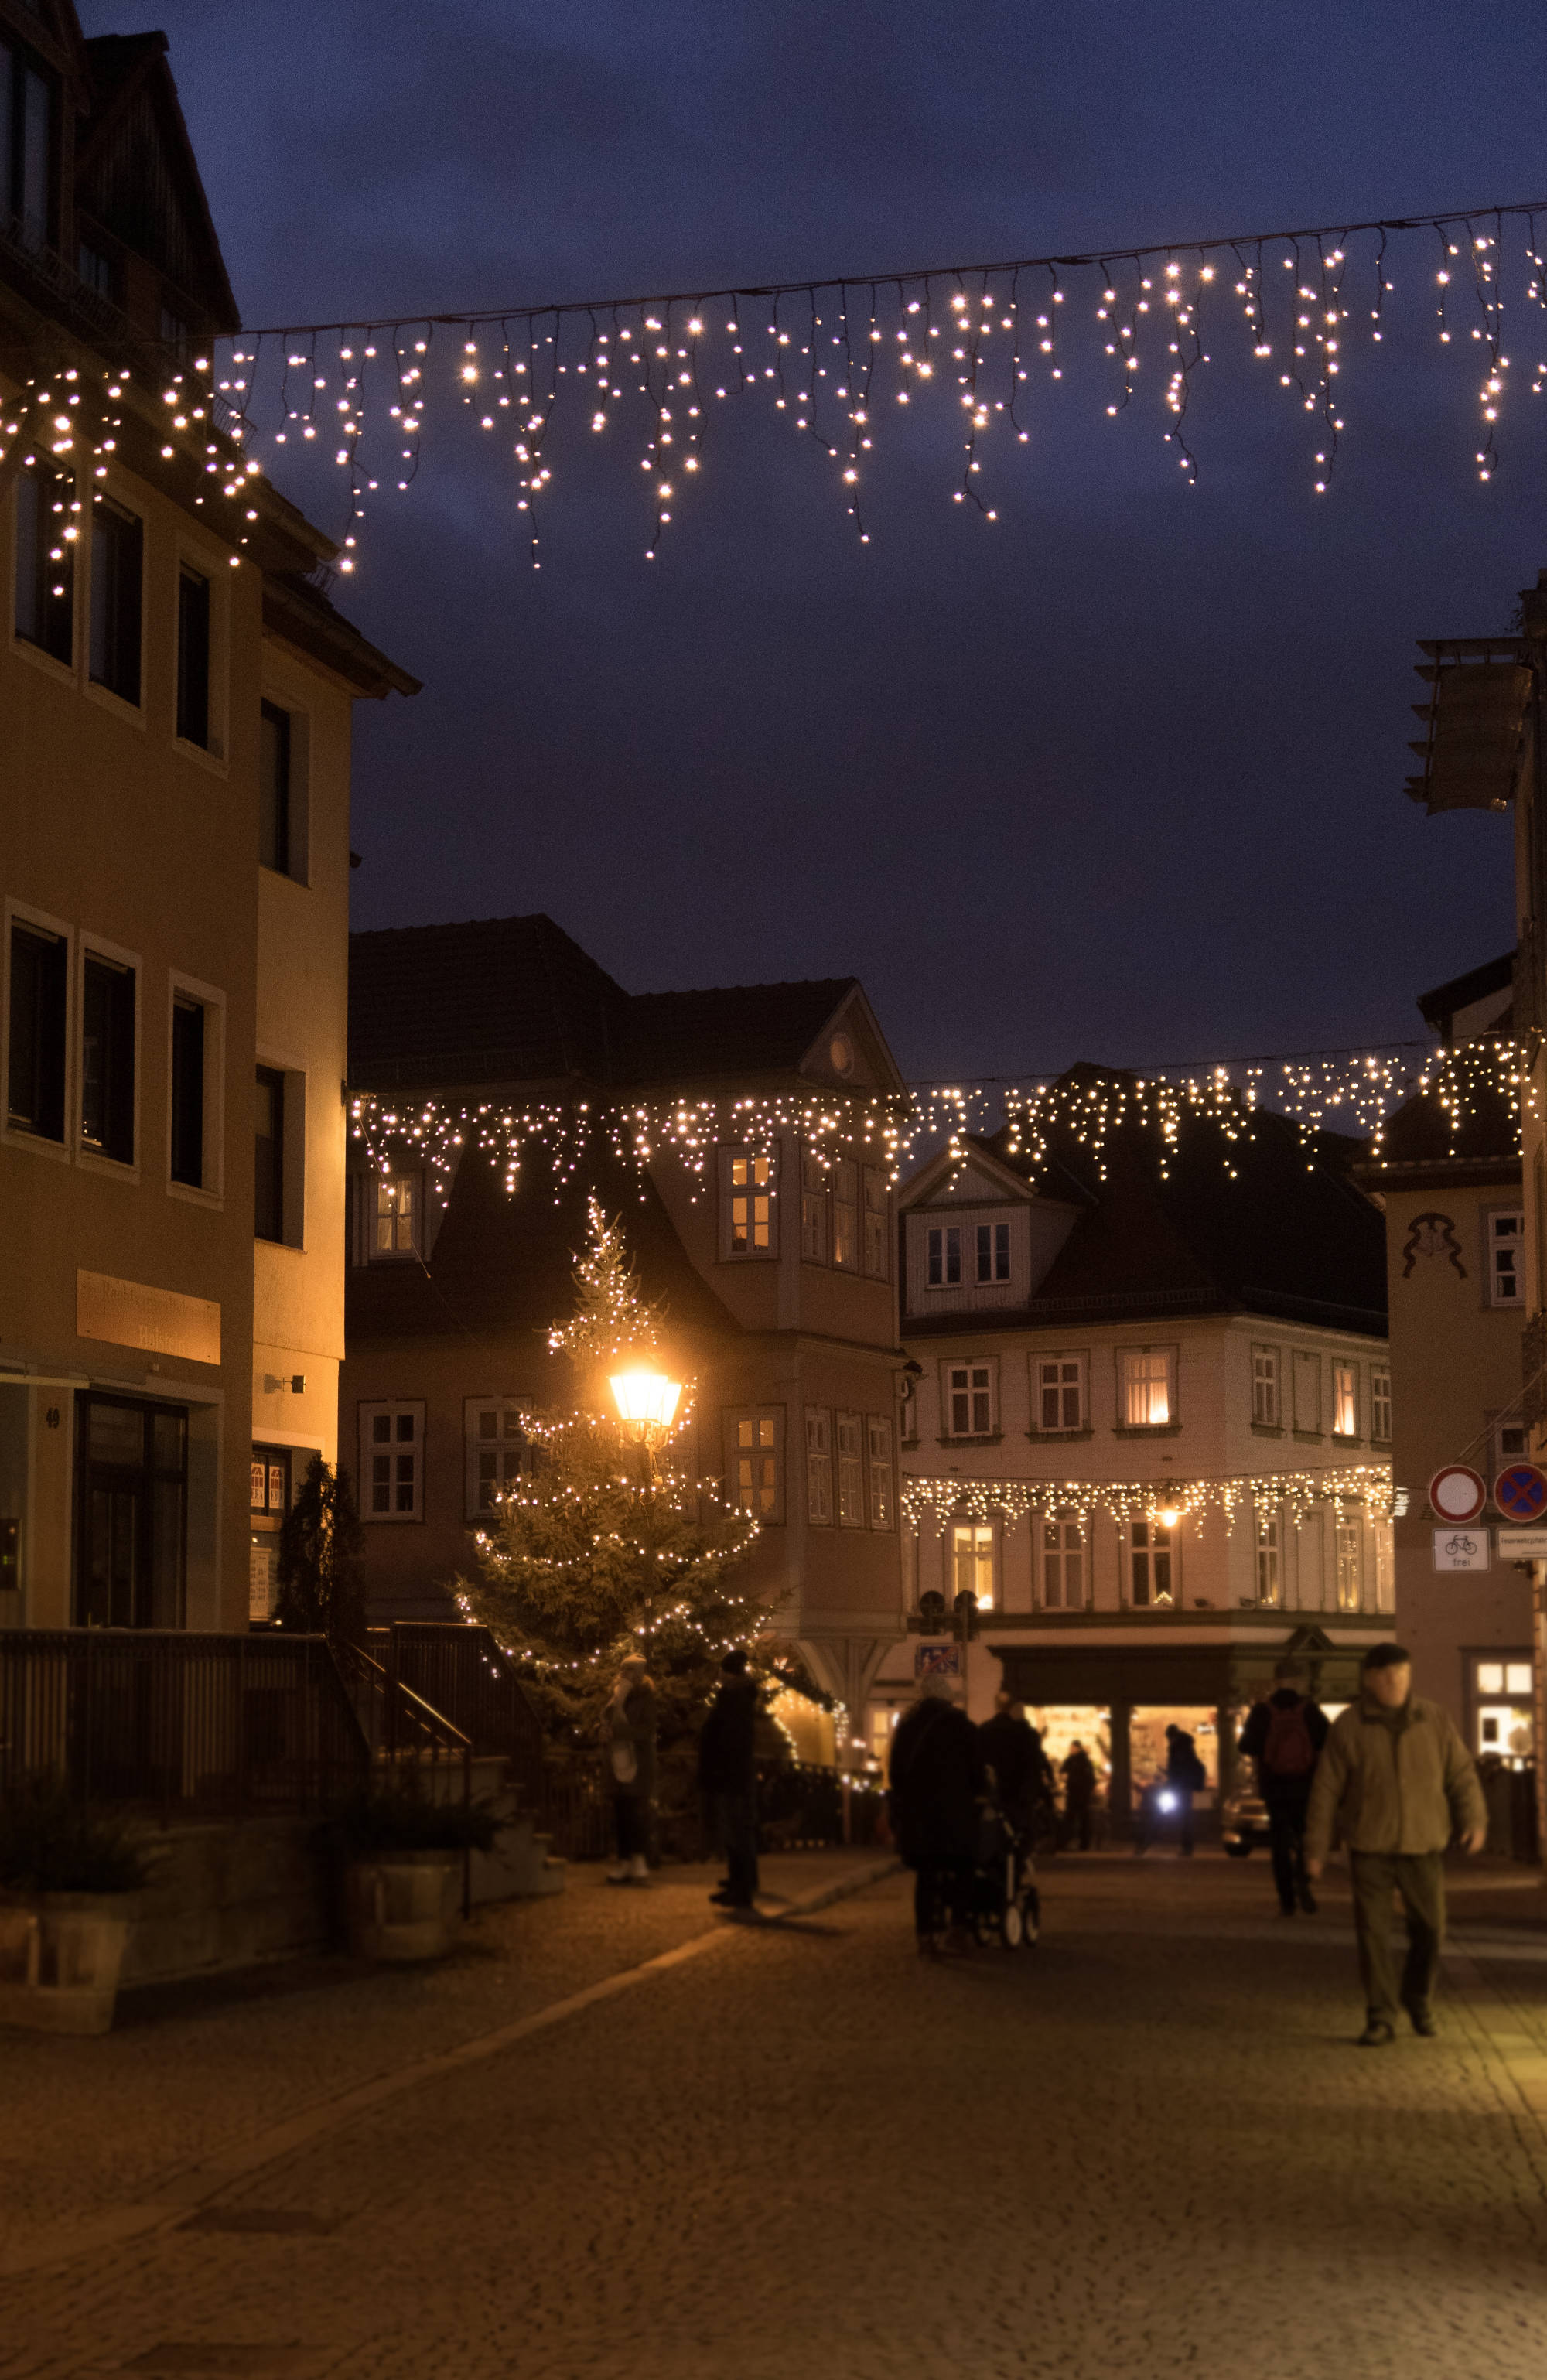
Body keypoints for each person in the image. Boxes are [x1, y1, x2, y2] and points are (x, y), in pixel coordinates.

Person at [1306, 1642, 1487, 2047]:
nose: (1395, 1682)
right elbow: (1325, 1791)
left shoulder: (1432, 1719)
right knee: (1373, 1933)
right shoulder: (1350, 1726)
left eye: (1402, 1674)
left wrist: (1474, 1819)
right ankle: (1381, 2017)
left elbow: (1461, 1775)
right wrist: (1316, 1849)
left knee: (1432, 1928)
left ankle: (1417, 1998)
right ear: (1369, 1680)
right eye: (1387, 1676)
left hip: (1423, 1844)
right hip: (1370, 1845)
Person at [888, 1671, 986, 1955]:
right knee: (963, 1868)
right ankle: (957, 1928)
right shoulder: (962, 1726)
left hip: (919, 1816)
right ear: (946, 1697)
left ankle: (925, 1935)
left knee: (927, 1875)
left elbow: (896, 1774)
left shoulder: (907, 1727)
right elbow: (977, 1771)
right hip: (955, 1815)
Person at [1238, 1658, 1330, 1917]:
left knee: (1278, 1843)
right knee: (1304, 1837)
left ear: (1275, 1682)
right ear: (1298, 1681)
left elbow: (1244, 1746)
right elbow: (1328, 1741)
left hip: (1274, 1787)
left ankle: (1286, 1901)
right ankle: (1303, 1879)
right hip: (1304, 1786)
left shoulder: (1262, 1711)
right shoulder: (1309, 1710)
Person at [698, 1648, 761, 1911]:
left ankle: (741, 1888)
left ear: (726, 1672)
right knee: (738, 1831)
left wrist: (716, 1768)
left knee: (735, 1832)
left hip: (729, 1775)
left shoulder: (732, 1699)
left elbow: (726, 1739)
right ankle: (741, 1882)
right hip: (736, 1774)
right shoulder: (741, 1697)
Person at [604, 1654, 657, 1886]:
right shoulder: (615, 1695)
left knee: (637, 1814)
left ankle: (639, 1860)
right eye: (623, 1670)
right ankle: (624, 1861)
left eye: (631, 1670)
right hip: (616, 1759)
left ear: (640, 1674)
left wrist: (618, 1733)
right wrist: (601, 1729)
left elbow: (646, 1731)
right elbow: (605, 1718)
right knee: (622, 1813)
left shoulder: (646, 1697)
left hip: (639, 1762)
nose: (625, 1674)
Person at [978, 1692, 1041, 1837]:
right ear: (1012, 1707)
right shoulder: (1026, 1733)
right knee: (1018, 1837)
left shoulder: (984, 1731)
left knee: (995, 1837)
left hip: (994, 1796)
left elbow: (978, 1764)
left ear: (996, 1706)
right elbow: (1033, 1767)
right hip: (1019, 1797)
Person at [1163, 1723, 1204, 1856]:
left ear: (1171, 1736)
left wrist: (1171, 1781)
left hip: (1181, 1786)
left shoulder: (1178, 1747)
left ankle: (1187, 1847)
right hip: (1185, 1785)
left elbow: (1177, 1768)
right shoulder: (1186, 1745)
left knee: (1184, 1816)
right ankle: (1187, 1846)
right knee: (1186, 1816)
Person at [1061, 1741, 1097, 1851]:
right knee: (1084, 1819)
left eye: (1072, 1748)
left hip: (1074, 1793)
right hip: (1084, 1794)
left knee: (1070, 1818)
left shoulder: (1071, 1760)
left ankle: (1065, 1842)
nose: (1070, 1750)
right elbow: (1091, 1778)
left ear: (1076, 1748)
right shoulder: (1086, 1761)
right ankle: (1084, 1843)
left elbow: (1063, 1773)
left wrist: (1067, 1782)